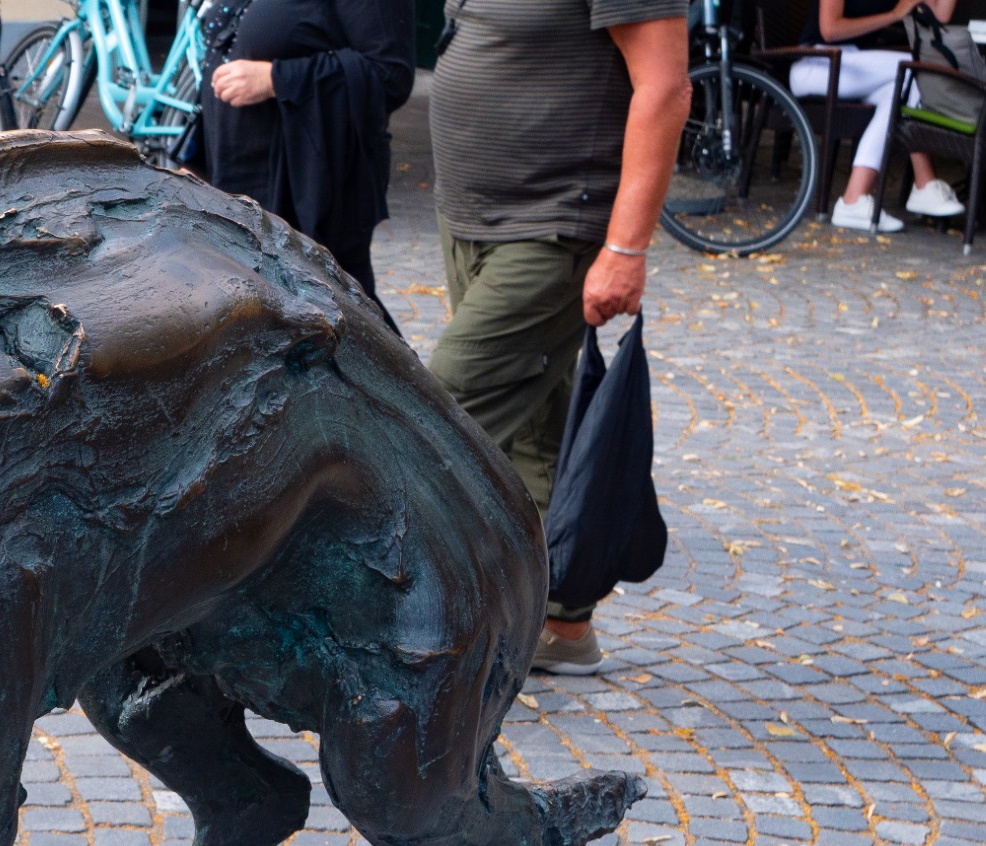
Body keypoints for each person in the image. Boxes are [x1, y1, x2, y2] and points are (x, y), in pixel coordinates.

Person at [426, 0, 690, 675]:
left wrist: (625, 248)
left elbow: (664, 87)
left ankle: (404, 631)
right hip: (474, 217)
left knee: (435, 420)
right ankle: (561, 624)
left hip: (554, 225)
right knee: (536, 418)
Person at [197, 0, 418, 308]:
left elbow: (390, 75)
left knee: (331, 316)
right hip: (237, 181)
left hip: (311, 187)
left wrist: (276, 79)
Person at [784, 0, 969, 233]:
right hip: (817, 62)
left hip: (854, 66)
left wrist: (898, 12)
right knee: (913, 71)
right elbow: (830, 30)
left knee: (900, 91)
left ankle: (854, 198)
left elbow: (940, 14)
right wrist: (894, 15)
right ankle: (924, 185)